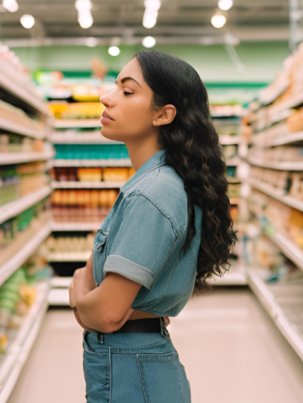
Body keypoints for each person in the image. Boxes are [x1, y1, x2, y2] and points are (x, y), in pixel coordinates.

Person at [69, 49, 235, 403]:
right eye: (115, 87)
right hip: (139, 361)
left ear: (163, 114)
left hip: (131, 369)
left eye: (127, 91)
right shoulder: (162, 182)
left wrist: (81, 301)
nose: (106, 98)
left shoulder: (154, 191)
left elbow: (108, 311)